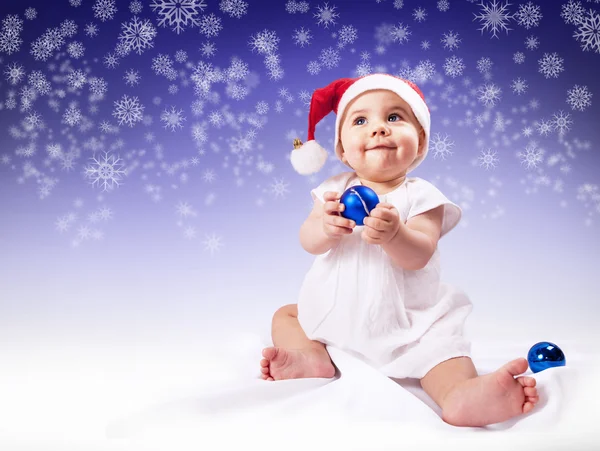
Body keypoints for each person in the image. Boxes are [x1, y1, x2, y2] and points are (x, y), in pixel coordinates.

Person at [259, 73, 539, 427]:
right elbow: (307, 239)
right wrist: (325, 228)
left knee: (443, 350)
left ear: (420, 142)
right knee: (287, 315)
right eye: (360, 120)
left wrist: (396, 235)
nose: (378, 129)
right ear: (342, 150)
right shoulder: (331, 191)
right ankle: (313, 356)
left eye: (394, 117)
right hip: (337, 314)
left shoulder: (423, 196)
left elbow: (420, 253)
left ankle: (460, 394)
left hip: (407, 322)